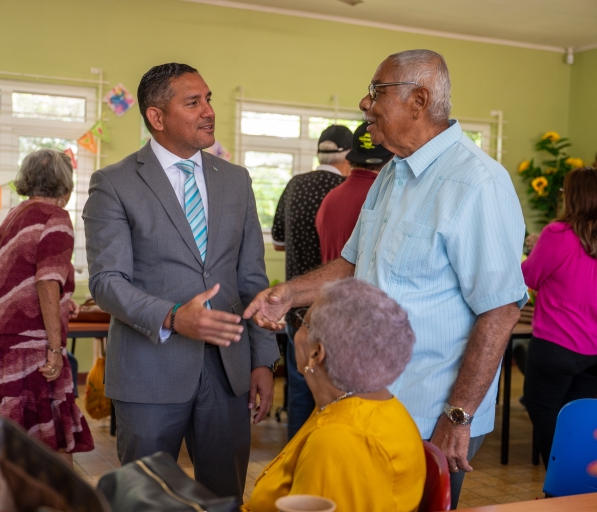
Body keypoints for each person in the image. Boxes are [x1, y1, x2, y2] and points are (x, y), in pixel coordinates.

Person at [244, 49, 527, 509]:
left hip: (430, 409)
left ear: (419, 99)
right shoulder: (392, 174)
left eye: (377, 91)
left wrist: (459, 416)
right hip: (370, 405)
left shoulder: (476, 183)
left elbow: (501, 309)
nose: (364, 102)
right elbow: (355, 263)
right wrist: (289, 292)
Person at [83, 63, 279, 500]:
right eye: (193, 102)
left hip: (229, 373)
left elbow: (252, 278)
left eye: (208, 99)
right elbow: (107, 281)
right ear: (157, 117)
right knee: (144, 500)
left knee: (225, 496)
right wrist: (173, 317)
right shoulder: (114, 183)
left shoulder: (236, 180)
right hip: (149, 372)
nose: (209, 111)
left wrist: (263, 360)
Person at [242, 278, 425, 511]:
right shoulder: (367, 404)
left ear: (316, 354)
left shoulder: (338, 441)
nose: (296, 329)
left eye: (302, 322)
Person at [0, 149, 94, 464]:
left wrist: (63, 304)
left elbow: (4, 283)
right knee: (53, 449)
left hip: (2, 345)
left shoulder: (12, 216)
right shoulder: (56, 219)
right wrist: (53, 347)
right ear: (65, 185)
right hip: (35, 349)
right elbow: (47, 282)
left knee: (5, 447)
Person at [271, 124, 351, 439]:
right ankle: (322, 457)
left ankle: (294, 456)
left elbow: (278, 241)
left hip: (295, 306)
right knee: (331, 391)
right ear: (347, 158)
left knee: (299, 386)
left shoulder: (295, 185)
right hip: (332, 308)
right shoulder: (344, 191)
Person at [522, 166, 597, 468]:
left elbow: (530, 276)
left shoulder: (558, 234)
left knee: (542, 410)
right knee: (580, 419)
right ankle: (579, 486)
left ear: (574, 197)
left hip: (555, 346)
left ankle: (559, 480)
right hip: (593, 351)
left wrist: (535, 249)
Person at [316, 122, 393, 264]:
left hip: (330, 286)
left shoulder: (330, 198)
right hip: (362, 287)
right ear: (391, 158)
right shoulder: (386, 198)